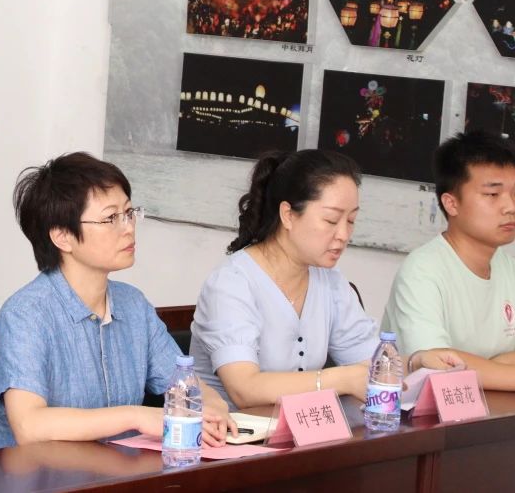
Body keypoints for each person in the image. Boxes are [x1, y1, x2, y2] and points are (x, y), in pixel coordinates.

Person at [0, 152, 235, 452]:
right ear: (62, 237)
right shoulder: (25, 315)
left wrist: (213, 409)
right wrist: (136, 417)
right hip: (28, 474)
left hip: (116, 470)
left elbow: (188, 386)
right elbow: (30, 426)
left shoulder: (133, 305)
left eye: (129, 212)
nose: (129, 227)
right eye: (111, 218)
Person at [190, 150, 460, 410]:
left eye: (351, 221)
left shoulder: (330, 281)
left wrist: (416, 361)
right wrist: (340, 380)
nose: (343, 234)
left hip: (302, 433)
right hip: (230, 435)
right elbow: (245, 388)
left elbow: (369, 361)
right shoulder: (232, 283)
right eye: (331, 220)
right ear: (288, 215)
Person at [381, 131, 515, 394]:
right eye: (493, 194)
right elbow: (437, 364)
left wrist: (494, 367)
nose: (511, 207)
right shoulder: (421, 271)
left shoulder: (511, 269)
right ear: (451, 204)